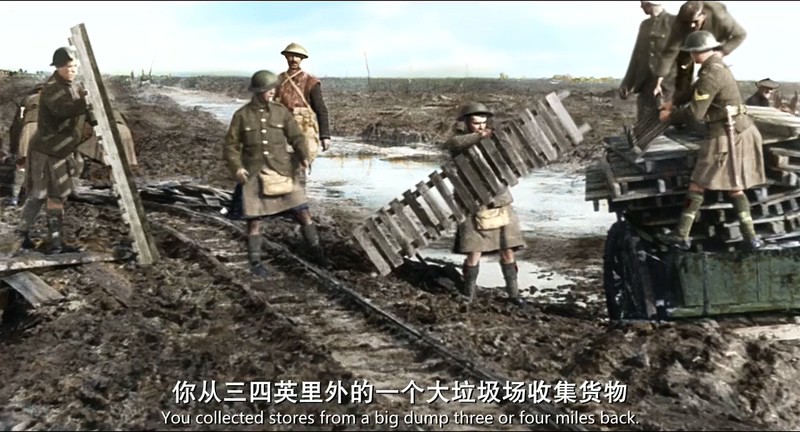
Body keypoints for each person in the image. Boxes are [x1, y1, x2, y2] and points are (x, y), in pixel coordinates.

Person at [657, 31, 765, 251]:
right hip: (739, 130)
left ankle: (681, 236)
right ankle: (751, 238)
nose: (691, 55)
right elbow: (696, 89)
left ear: (697, 52)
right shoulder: (714, 67)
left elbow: (695, 113)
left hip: (726, 135)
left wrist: (669, 117)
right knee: (735, 187)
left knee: (698, 183)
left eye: (692, 52)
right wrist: (673, 101)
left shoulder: (711, 73)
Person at [223, 70, 331, 278]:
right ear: (257, 91)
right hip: (254, 174)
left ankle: (319, 256)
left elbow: (296, 137)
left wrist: (303, 156)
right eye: (267, 89)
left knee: (303, 213)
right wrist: (237, 167)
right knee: (254, 221)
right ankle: (255, 263)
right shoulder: (241, 116)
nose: (272, 92)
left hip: (283, 171)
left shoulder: (281, 112)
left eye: (273, 89)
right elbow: (230, 146)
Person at [443, 102, 525, 304]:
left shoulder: (494, 140)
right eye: (475, 123)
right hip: (474, 203)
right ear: (466, 123)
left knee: (507, 251)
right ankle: (468, 294)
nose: (480, 126)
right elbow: (453, 144)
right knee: (474, 253)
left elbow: (509, 153)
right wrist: (480, 137)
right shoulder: (459, 141)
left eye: (483, 123)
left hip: (499, 201)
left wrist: (495, 137)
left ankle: (514, 295)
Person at [13, 47, 91, 254]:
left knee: (44, 195)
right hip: (48, 150)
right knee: (50, 196)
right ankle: (54, 243)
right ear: (58, 67)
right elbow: (64, 110)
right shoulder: (51, 88)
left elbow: (81, 111)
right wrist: (86, 101)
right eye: (68, 66)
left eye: (74, 66)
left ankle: (22, 235)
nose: (72, 70)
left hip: (59, 149)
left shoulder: (72, 87)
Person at [653, 1, 746, 103]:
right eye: (688, 22)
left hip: (715, 45)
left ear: (703, 15)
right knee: (682, 71)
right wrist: (659, 79)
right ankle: (678, 103)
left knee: (712, 76)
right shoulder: (680, 23)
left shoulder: (720, 16)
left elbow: (740, 35)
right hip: (690, 44)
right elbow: (670, 51)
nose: (692, 25)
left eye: (695, 21)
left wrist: (722, 52)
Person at [275, 42, 332, 166]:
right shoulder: (277, 80)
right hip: (281, 130)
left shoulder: (311, 81)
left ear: (301, 59)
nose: (293, 59)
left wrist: (325, 136)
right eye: (291, 56)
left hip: (304, 130)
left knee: (302, 165)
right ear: (286, 57)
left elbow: (321, 109)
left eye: (297, 56)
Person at [619, 1, 677, 123]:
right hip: (645, 86)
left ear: (650, 3)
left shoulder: (674, 22)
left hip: (667, 87)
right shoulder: (644, 25)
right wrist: (627, 83)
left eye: (643, 3)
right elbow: (637, 55)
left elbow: (682, 56)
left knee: (666, 125)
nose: (641, 6)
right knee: (643, 125)